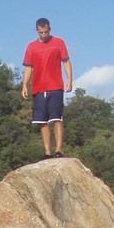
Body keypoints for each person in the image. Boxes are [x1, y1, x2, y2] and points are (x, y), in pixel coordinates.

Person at [21, 17, 73, 159]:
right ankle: (47, 152)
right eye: (41, 32)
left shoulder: (58, 42)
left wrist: (70, 79)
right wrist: (24, 85)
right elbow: (28, 67)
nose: (44, 35)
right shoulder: (31, 46)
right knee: (42, 121)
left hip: (55, 85)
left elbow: (66, 61)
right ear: (36, 30)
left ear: (50, 29)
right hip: (38, 87)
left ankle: (58, 150)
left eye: (46, 32)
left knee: (57, 118)